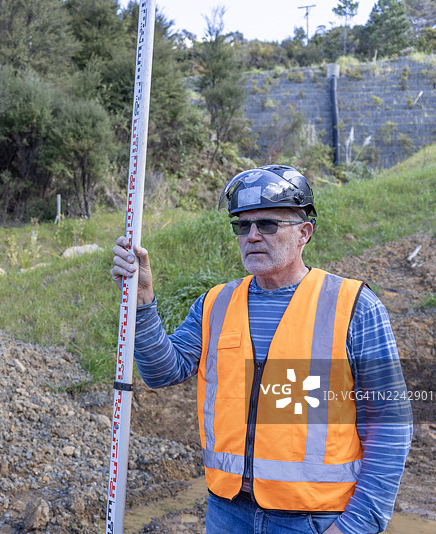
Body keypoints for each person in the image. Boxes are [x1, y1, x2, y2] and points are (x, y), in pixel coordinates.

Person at [111, 165, 413, 534]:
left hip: (316, 521)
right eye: (243, 225)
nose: (252, 235)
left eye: (268, 224)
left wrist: (358, 524)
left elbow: (389, 424)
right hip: (227, 513)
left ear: (304, 233)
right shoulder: (215, 304)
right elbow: (162, 371)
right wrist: (142, 301)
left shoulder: (354, 306)